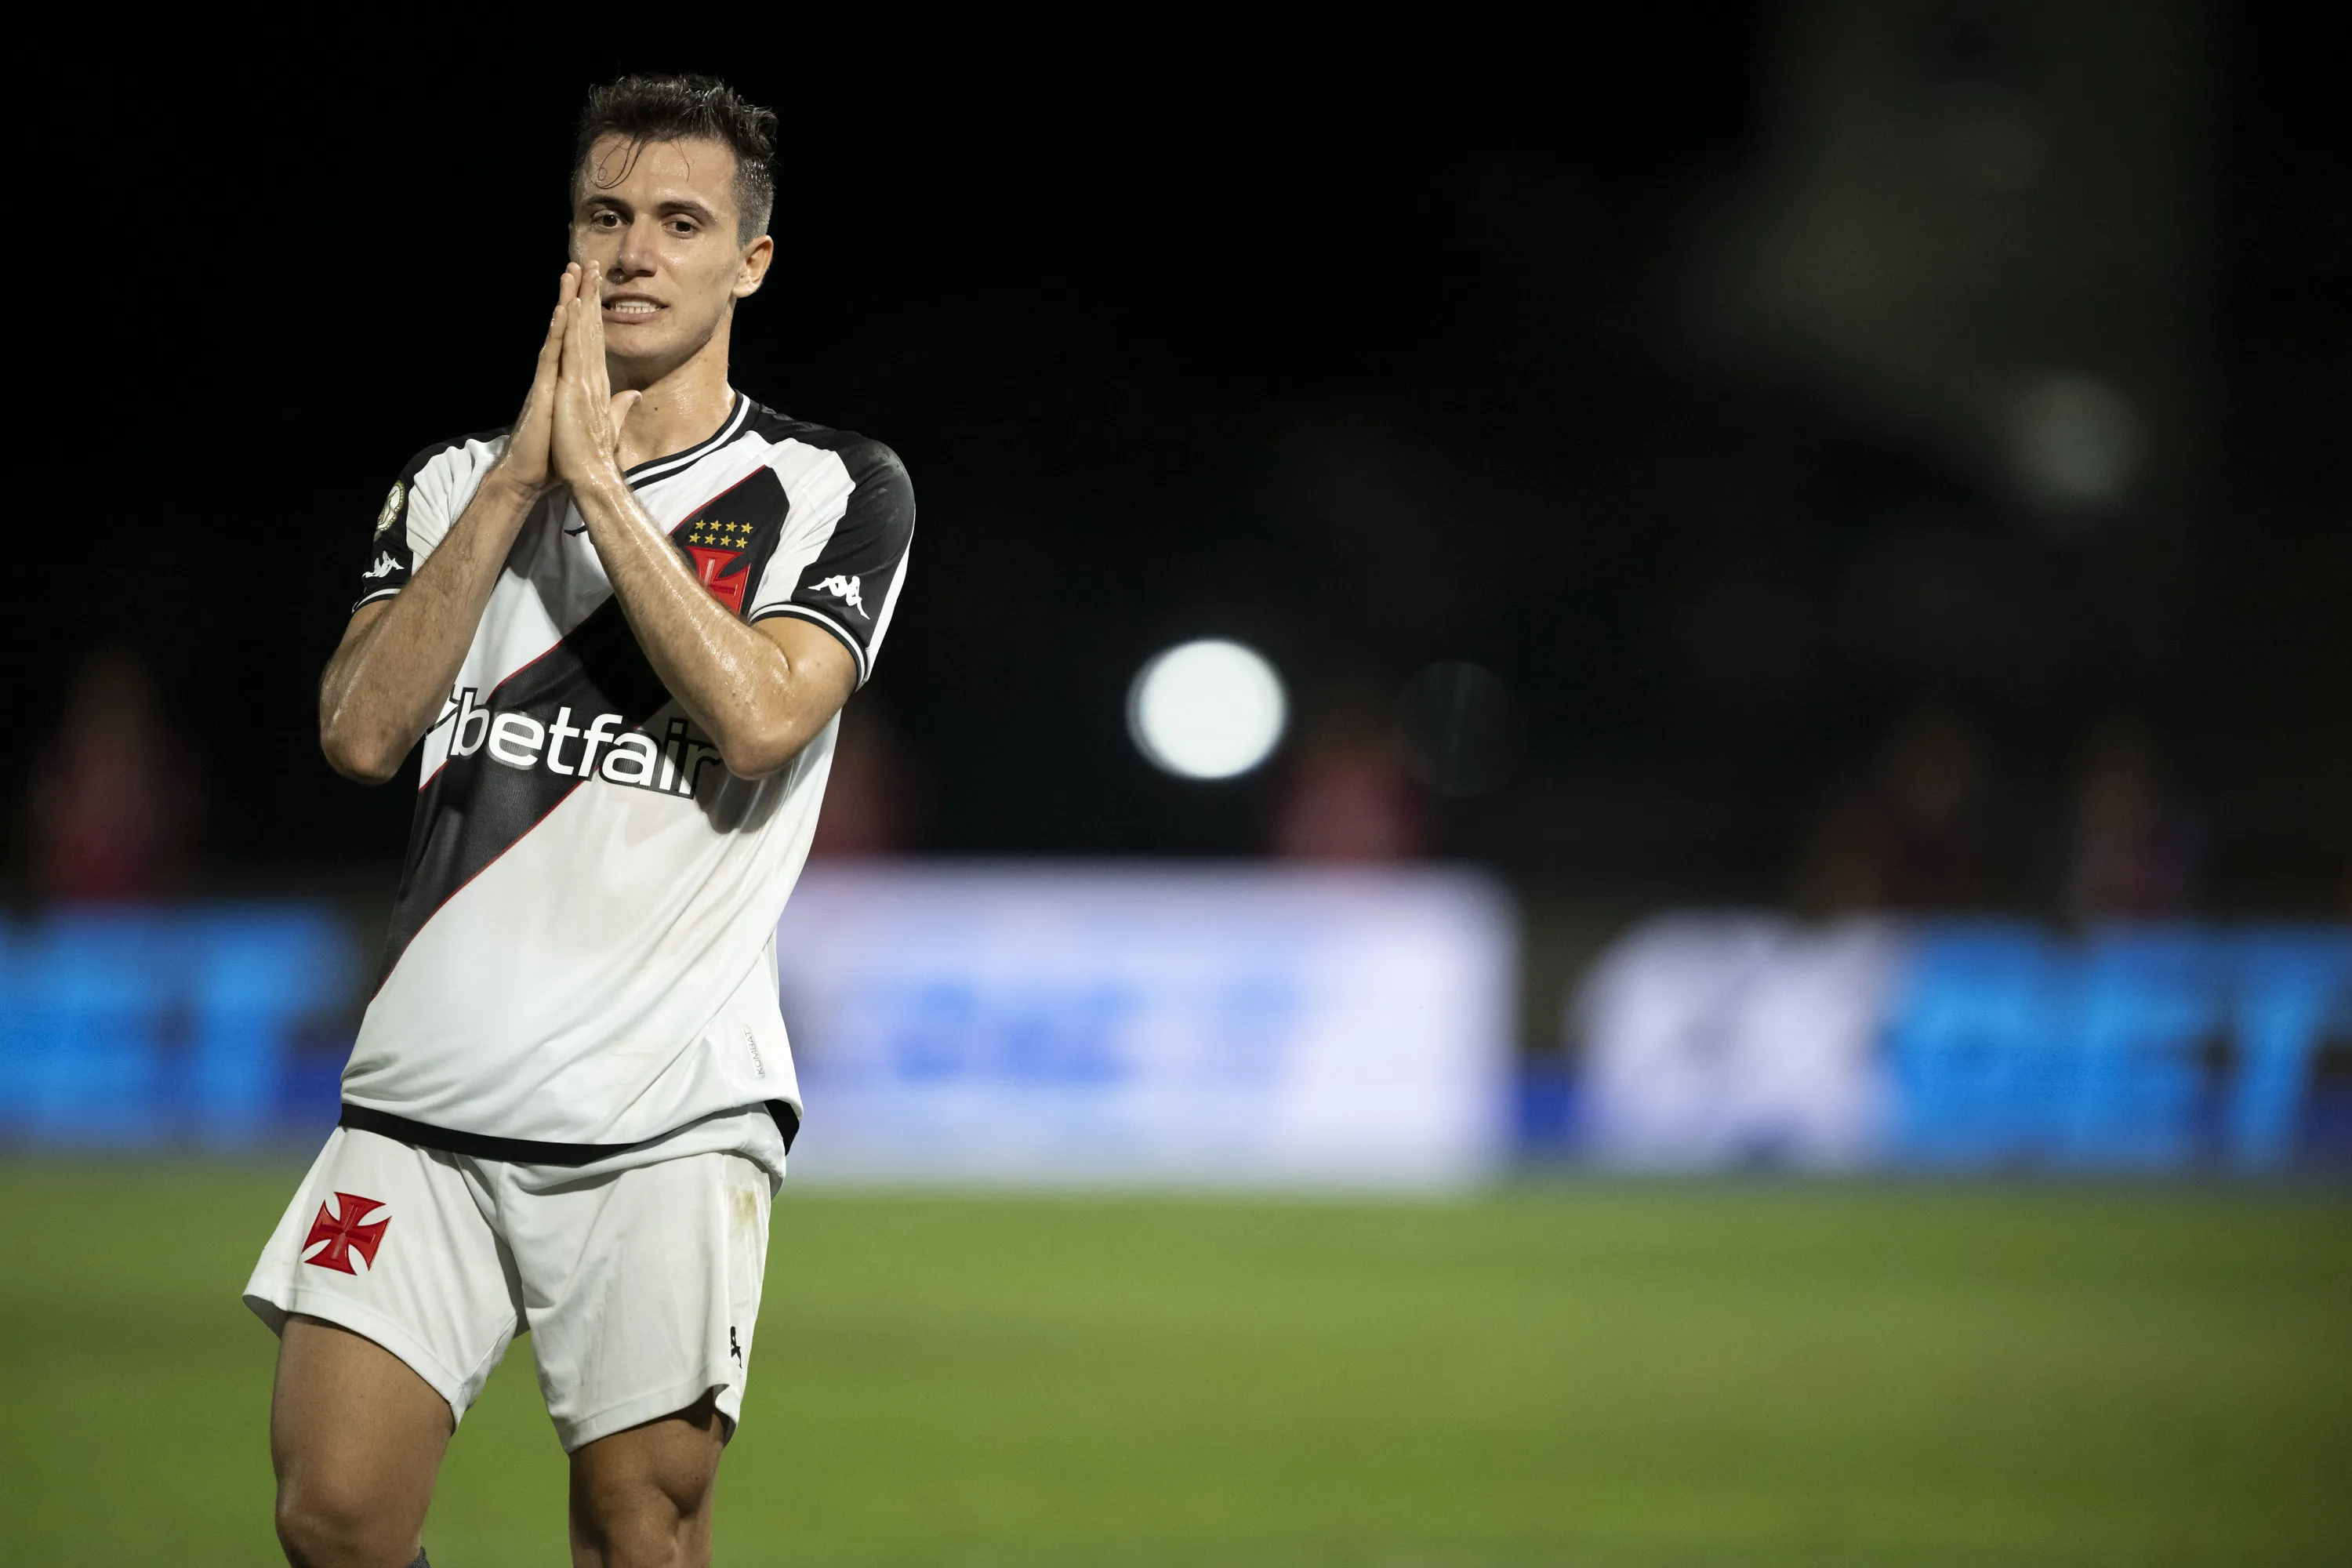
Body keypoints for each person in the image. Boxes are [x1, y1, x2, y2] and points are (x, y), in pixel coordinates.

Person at [241, 75, 915, 1568]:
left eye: (680, 222)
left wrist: (602, 491)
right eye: (605, 217)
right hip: (427, 1092)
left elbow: (760, 718)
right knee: (334, 1516)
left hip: (662, 1115)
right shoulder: (448, 484)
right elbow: (360, 733)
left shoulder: (829, 487)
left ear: (750, 261)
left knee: (638, 1532)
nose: (635, 253)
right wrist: (518, 489)